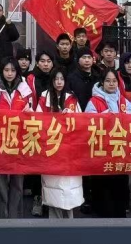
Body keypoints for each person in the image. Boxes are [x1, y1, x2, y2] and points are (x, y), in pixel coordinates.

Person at [85, 69, 131, 218]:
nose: (111, 84)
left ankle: (120, 215)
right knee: (102, 186)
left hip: (120, 151)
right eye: (108, 81)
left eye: (114, 81)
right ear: (102, 82)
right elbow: (88, 122)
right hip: (102, 151)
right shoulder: (94, 101)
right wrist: (105, 117)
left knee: (120, 185)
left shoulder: (124, 101)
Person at [0, 59, 32, 218]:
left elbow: (32, 113)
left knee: (18, 182)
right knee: (0, 182)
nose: (10, 73)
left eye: (13, 70)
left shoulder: (25, 89)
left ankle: (15, 217)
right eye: (6, 70)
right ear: (1, 71)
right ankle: (0, 217)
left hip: (19, 142)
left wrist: (29, 112)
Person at [36, 68, 83, 219]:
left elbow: (82, 121)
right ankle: (54, 223)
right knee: (52, 188)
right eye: (56, 79)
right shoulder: (44, 96)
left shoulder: (72, 98)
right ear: (51, 80)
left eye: (61, 79)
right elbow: (37, 120)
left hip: (69, 149)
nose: (59, 82)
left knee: (69, 187)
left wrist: (70, 116)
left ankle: (70, 222)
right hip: (50, 148)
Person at [67, 47, 101, 215]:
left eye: (89, 57)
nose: (87, 60)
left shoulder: (98, 76)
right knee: (82, 162)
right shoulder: (72, 78)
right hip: (79, 124)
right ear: (78, 59)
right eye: (84, 57)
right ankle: (83, 197)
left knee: (95, 161)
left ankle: (95, 197)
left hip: (97, 125)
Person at [25, 51, 55, 217]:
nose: (45, 64)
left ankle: (50, 200)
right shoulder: (30, 79)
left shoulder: (57, 77)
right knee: (38, 164)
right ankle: (37, 199)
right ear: (37, 63)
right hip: (36, 126)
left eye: (49, 61)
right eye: (42, 61)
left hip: (54, 128)